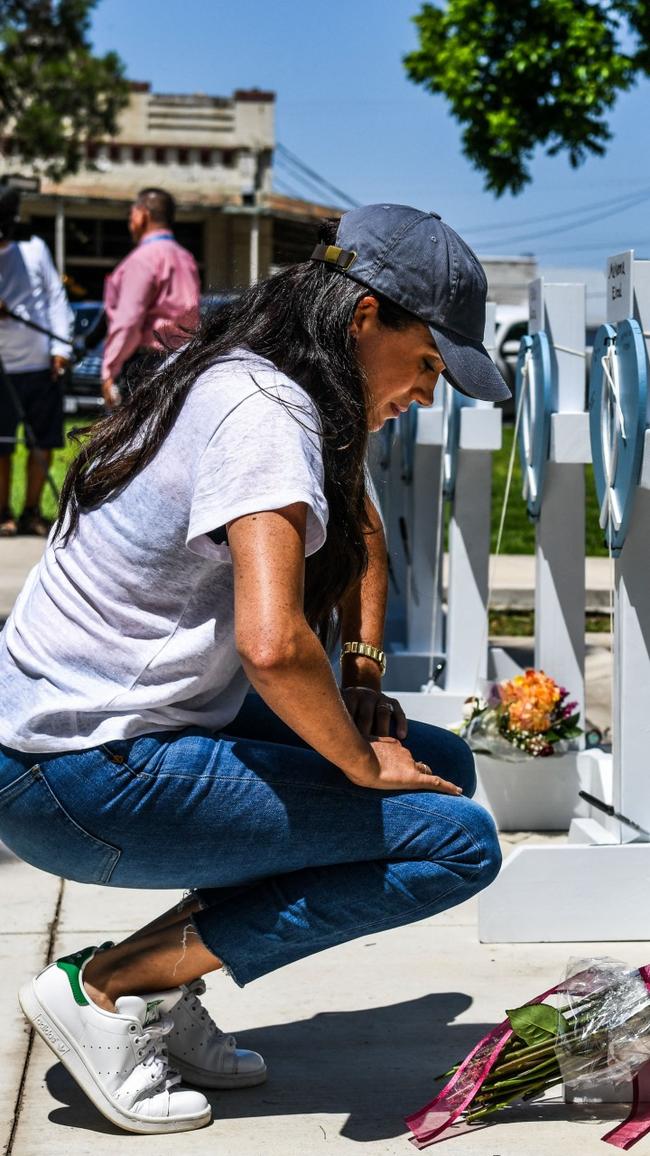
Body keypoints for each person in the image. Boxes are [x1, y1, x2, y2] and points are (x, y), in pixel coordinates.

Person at [0, 203, 510, 1136]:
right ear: (365, 318)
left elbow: (357, 530)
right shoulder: (266, 413)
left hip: (86, 739)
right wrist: (359, 762)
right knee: (457, 839)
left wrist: (362, 685)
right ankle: (111, 988)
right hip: (72, 775)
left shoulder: (259, 376)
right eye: (429, 362)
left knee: (444, 769)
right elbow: (271, 645)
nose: (430, 393)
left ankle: (162, 984)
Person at [0, 184, 73, 537]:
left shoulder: (34, 248)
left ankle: (31, 510)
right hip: (3, 367)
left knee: (42, 443)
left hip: (40, 363)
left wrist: (62, 350)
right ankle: (2, 513)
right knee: (2, 446)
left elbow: (55, 297)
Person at [101, 186, 200, 407]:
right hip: (183, 361)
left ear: (143, 214)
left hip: (147, 364)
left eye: (131, 214)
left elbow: (128, 320)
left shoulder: (143, 259)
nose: (130, 222)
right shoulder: (185, 258)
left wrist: (110, 369)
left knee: (138, 439)